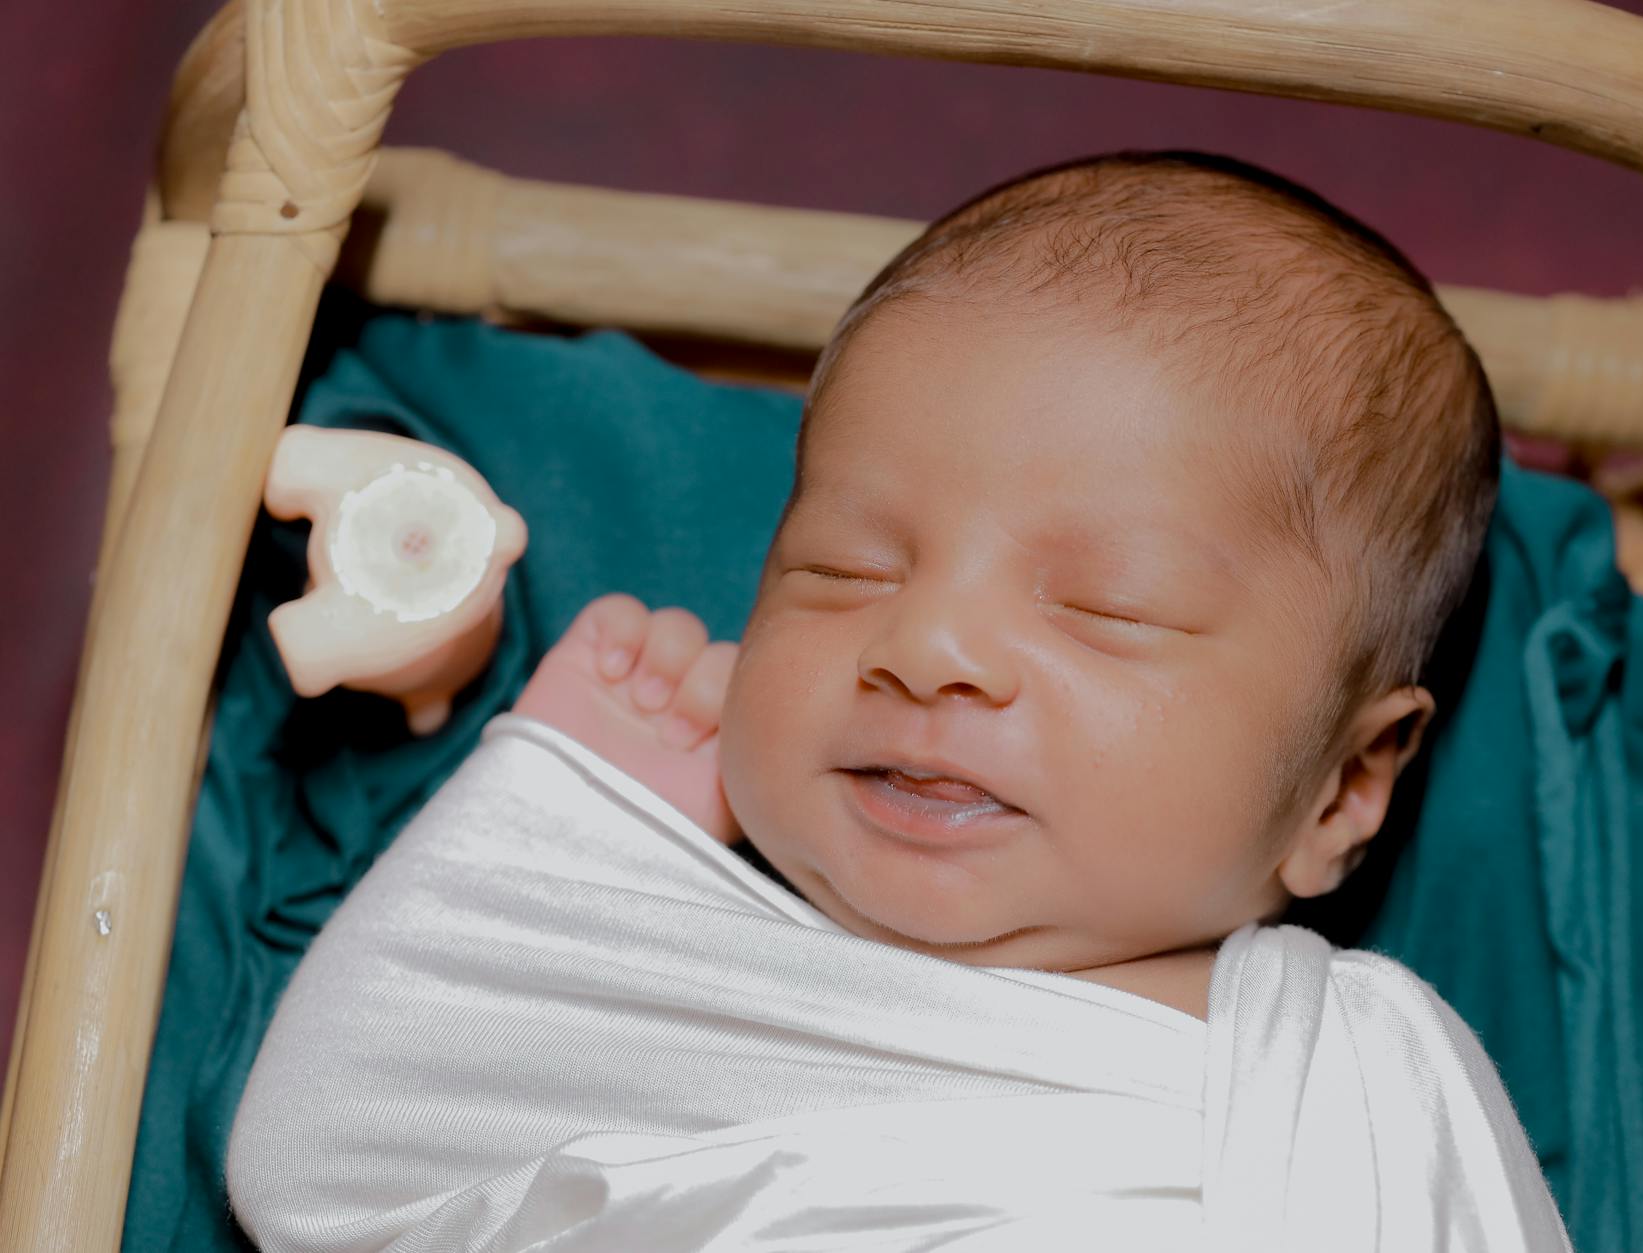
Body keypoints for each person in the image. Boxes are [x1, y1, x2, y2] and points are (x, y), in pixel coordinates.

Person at [227, 151, 1572, 1251]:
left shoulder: (1369, 1080)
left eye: (1108, 603)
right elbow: (329, 1161)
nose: (924, 645)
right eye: (844, 567)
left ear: (1342, 785)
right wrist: (556, 827)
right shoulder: (672, 963)